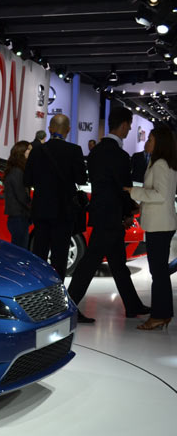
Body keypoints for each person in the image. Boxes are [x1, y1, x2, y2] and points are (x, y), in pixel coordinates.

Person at [67, 107, 149, 324]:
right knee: (90, 263)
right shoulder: (120, 156)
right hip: (110, 217)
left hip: (102, 214)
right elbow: (123, 189)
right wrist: (129, 212)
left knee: (118, 263)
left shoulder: (95, 153)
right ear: (123, 125)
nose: (130, 128)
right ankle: (69, 306)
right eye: (129, 125)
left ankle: (133, 305)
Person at [124, 126, 177, 330]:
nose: (147, 141)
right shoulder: (165, 163)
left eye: (151, 139)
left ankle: (159, 315)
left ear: (160, 142)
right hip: (162, 223)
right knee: (160, 272)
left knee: (159, 273)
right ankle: (162, 314)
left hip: (160, 225)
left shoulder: (161, 164)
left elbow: (160, 195)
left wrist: (133, 191)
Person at [23, 114, 87, 279]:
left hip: (41, 209)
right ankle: (57, 293)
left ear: (49, 129)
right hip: (64, 211)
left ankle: (38, 292)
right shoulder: (74, 151)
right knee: (60, 257)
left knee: (39, 254)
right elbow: (81, 179)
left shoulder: (36, 151)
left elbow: (27, 180)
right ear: (68, 130)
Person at [3, 141, 32, 249]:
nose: (30, 152)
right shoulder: (17, 172)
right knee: (19, 250)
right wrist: (32, 207)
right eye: (28, 149)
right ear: (21, 152)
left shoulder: (17, 170)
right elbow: (22, 196)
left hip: (19, 217)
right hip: (18, 217)